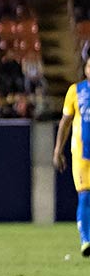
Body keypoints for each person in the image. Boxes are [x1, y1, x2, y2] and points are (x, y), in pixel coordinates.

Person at [54, 57, 90, 258]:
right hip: (82, 156)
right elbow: (65, 122)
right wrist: (58, 149)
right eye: (89, 66)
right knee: (85, 196)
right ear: (85, 69)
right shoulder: (75, 92)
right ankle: (86, 240)